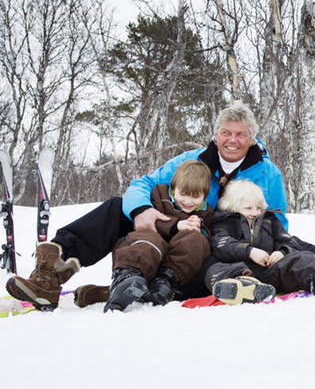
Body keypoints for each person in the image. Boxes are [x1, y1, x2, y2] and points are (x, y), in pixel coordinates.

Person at [6, 102, 288, 310]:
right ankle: (48, 275)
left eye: (240, 134)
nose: (232, 140)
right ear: (216, 135)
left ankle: (132, 287)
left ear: (251, 137)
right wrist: (143, 211)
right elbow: (142, 184)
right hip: (167, 228)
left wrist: (275, 252)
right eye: (226, 133)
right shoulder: (191, 160)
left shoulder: (267, 173)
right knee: (117, 207)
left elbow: (276, 219)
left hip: (214, 246)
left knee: (201, 259)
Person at [205, 180, 315, 302]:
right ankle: (245, 288)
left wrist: (282, 252)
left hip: (270, 270)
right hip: (241, 269)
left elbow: (287, 241)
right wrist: (249, 251)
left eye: (258, 208)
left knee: (302, 258)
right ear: (231, 207)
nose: (255, 213)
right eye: (248, 208)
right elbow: (222, 244)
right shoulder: (224, 222)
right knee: (214, 267)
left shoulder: (269, 220)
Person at [103, 160, 214, 311]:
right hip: (148, 252)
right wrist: (176, 225)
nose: (187, 202)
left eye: (195, 197)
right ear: (174, 188)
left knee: (196, 239)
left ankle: (165, 282)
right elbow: (149, 221)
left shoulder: (205, 212)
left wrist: (199, 228)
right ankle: (127, 278)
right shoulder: (159, 195)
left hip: (172, 267)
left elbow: (207, 238)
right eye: (183, 194)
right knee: (149, 238)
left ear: (205, 195)